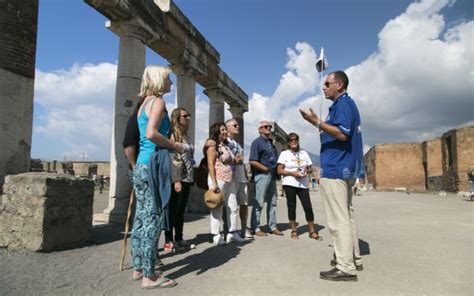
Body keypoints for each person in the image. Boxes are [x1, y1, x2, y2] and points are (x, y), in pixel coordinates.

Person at [300, 70, 364, 282]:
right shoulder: (343, 105)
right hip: (343, 167)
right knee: (346, 215)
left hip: (336, 168)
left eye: (327, 83)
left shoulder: (344, 104)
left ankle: (345, 267)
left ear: (340, 85)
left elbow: (342, 133)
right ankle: (352, 258)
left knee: (338, 219)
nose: (324, 87)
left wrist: (317, 123)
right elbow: (337, 132)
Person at [131, 64, 182, 289]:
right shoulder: (159, 102)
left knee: (141, 217)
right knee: (153, 218)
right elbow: (152, 134)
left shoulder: (144, 103)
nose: (171, 83)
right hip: (153, 164)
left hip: (141, 165)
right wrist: (175, 146)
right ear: (159, 80)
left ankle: (139, 266)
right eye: (169, 79)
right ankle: (149, 276)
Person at [204, 122, 245, 245]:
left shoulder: (226, 145)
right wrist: (214, 183)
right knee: (217, 207)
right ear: (216, 131)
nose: (225, 132)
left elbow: (230, 160)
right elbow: (210, 163)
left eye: (225, 130)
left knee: (233, 207)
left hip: (229, 179)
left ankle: (232, 233)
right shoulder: (213, 145)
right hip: (218, 179)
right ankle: (216, 235)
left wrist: (236, 160)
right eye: (222, 130)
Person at [277, 132, 322, 241]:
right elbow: (279, 170)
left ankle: (312, 231)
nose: (293, 141)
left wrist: (307, 171)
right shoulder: (284, 154)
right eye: (291, 140)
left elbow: (310, 168)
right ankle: (294, 230)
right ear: (288, 142)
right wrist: (292, 173)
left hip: (303, 183)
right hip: (290, 183)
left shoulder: (304, 154)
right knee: (291, 207)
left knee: (308, 207)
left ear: (298, 141)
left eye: (295, 139)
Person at [164, 108, 195, 251]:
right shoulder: (173, 134)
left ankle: (179, 238)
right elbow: (173, 157)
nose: (188, 118)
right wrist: (176, 180)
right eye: (185, 116)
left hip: (188, 177)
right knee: (173, 209)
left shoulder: (185, 135)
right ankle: (169, 239)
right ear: (177, 118)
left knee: (181, 210)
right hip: (178, 178)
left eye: (189, 115)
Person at [249, 120, 283, 236]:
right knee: (259, 202)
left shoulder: (270, 143)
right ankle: (255, 227)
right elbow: (252, 161)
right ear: (260, 130)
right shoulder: (256, 143)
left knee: (272, 202)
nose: (268, 128)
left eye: (269, 126)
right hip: (262, 175)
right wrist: (265, 169)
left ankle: (272, 226)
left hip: (272, 175)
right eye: (265, 126)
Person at [226, 118, 253, 240]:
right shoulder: (225, 142)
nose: (238, 127)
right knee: (231, 205)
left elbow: (241, 161)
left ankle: (243, 228)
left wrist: (246, 177)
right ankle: (230, 230)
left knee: (244, 204)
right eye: (235, 125)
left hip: (242, 177)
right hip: (232, 178)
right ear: (228, 128)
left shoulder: (237, 143)